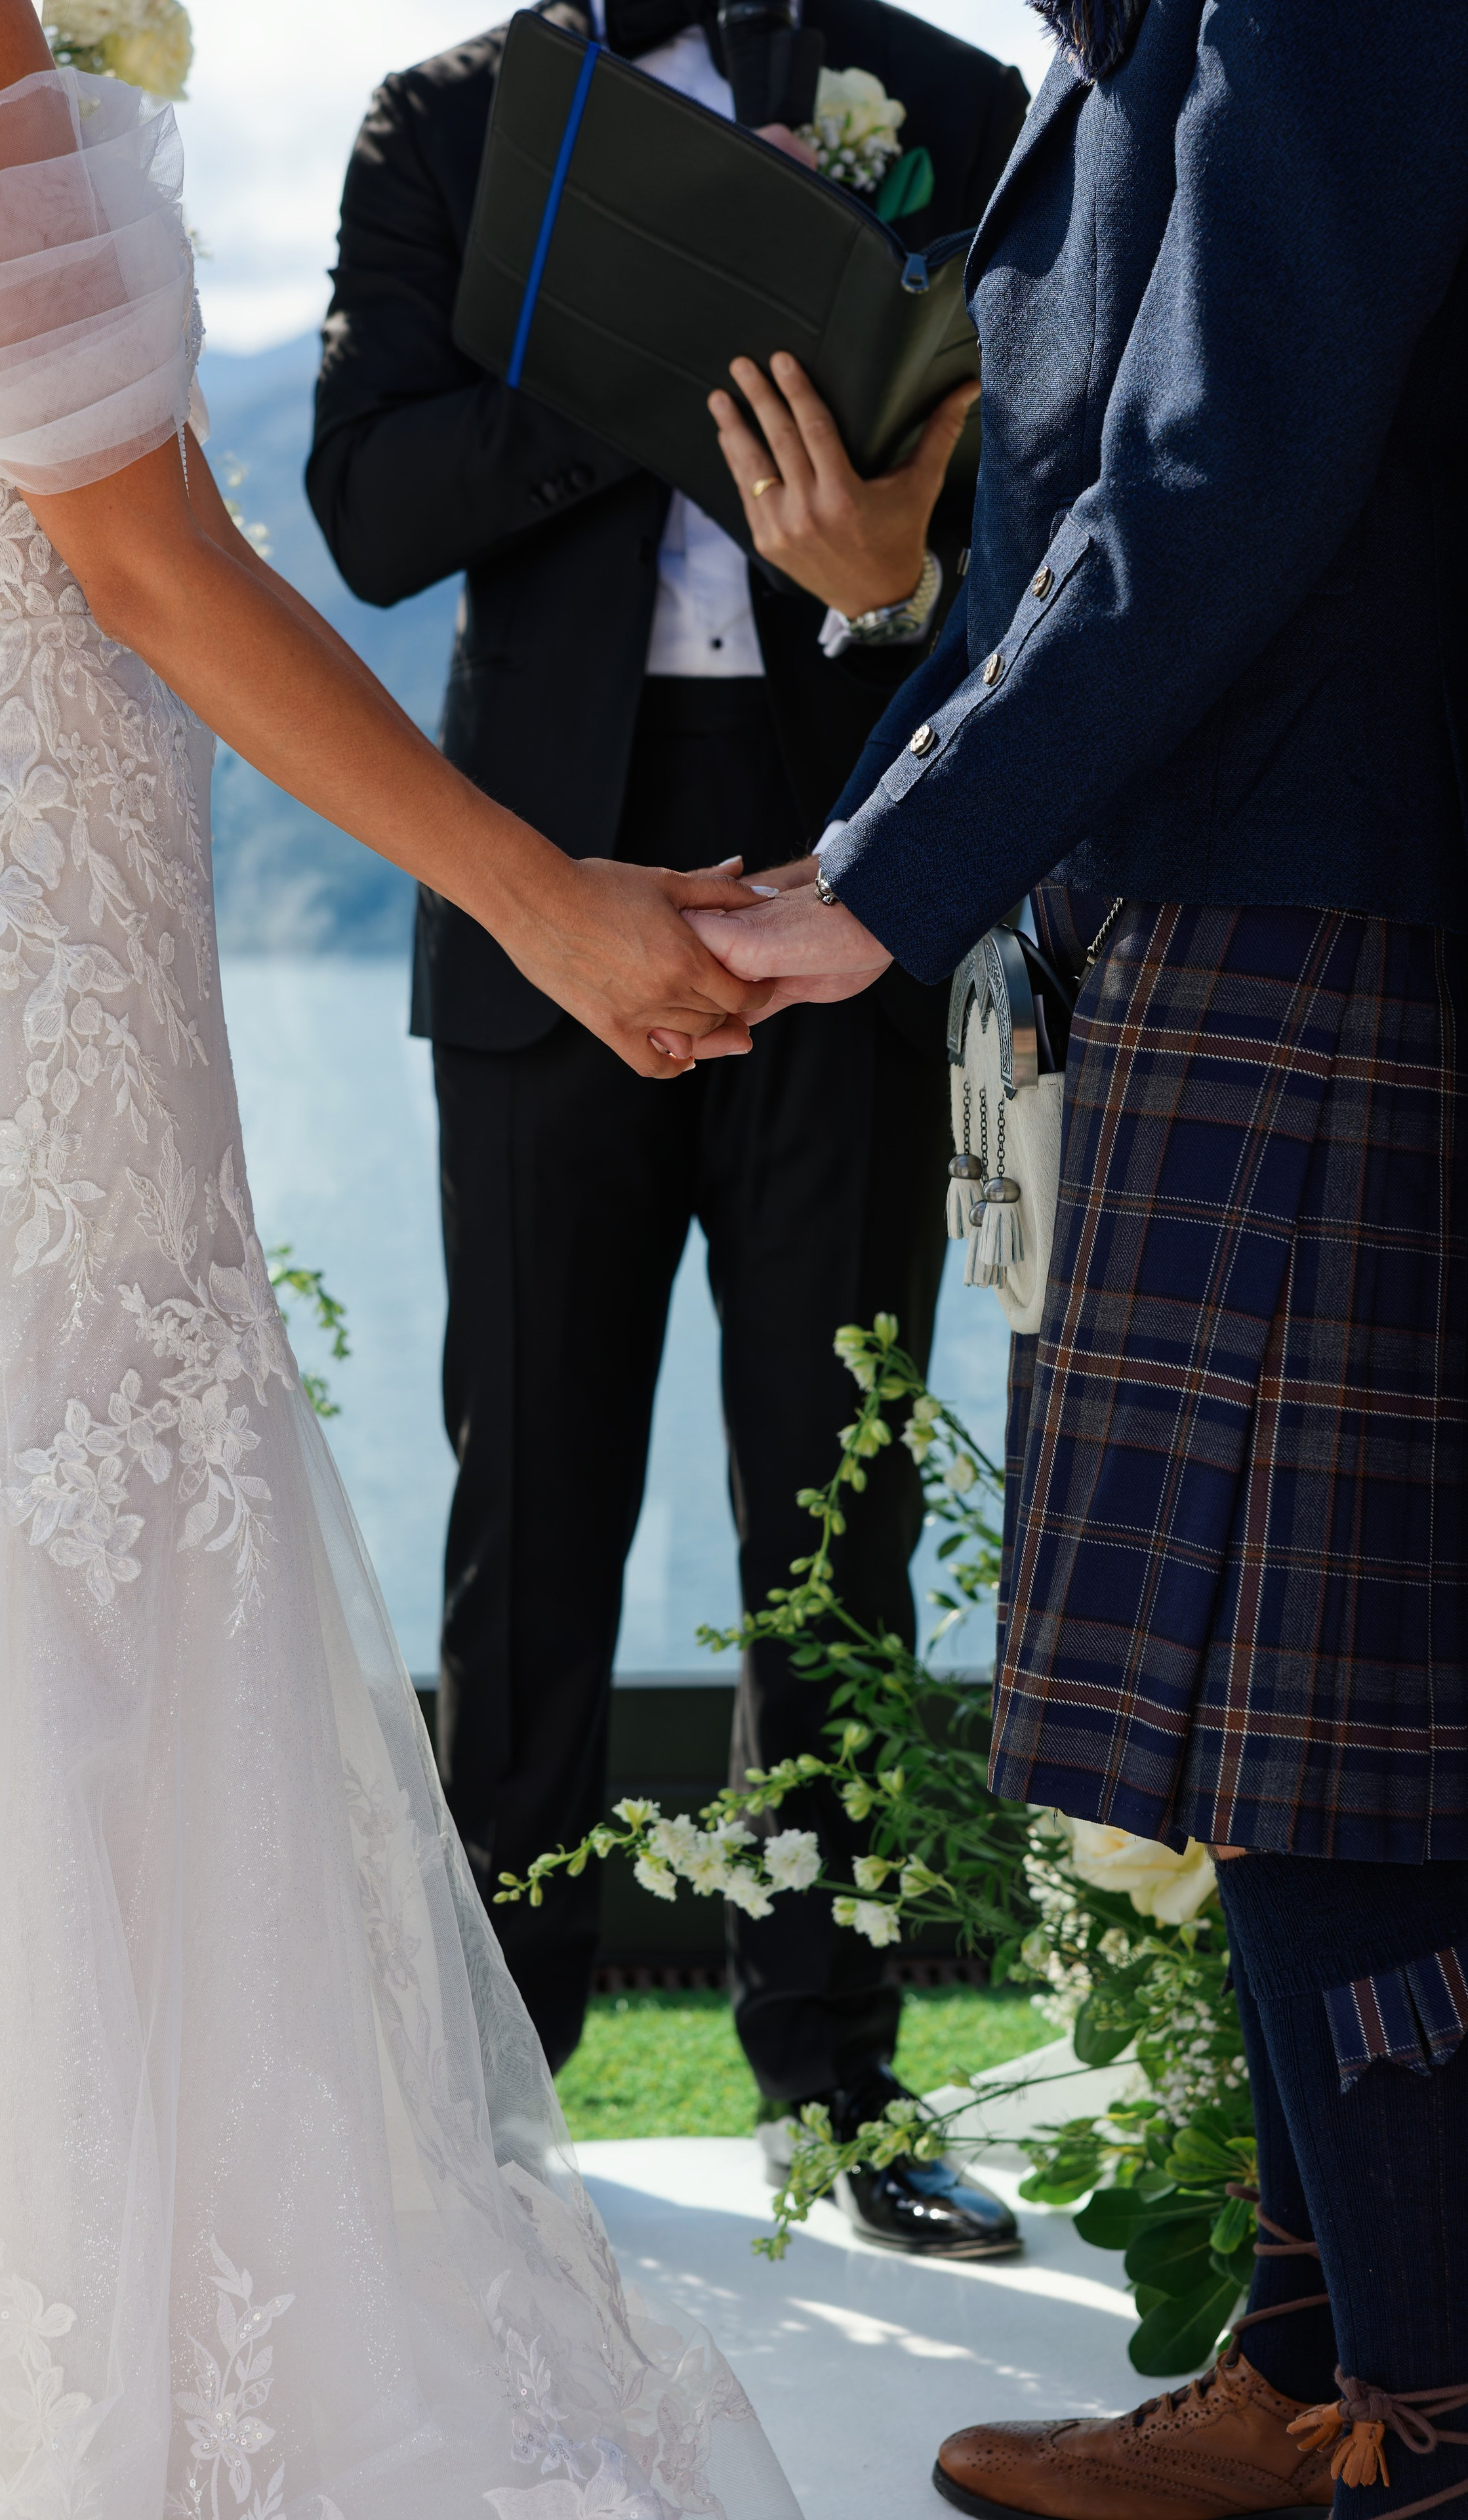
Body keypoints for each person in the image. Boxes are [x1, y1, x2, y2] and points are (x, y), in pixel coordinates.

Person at [0, 1, 811, 2512]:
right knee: (50, 1523)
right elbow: (151, 550)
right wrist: (537, 894)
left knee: (37, 1522)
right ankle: (42, 2313)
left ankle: (42, 2260)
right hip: (8, 897)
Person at [691, 0, 1468, 2511]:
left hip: (1325, 903)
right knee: (1263, 1726)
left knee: (1326, 1728)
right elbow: (1049, 539)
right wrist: (861, 858)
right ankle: (1310, 2364)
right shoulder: (1127, 44)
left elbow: (1226, 473)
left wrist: (880, 892)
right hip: (1197, 910)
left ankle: (1433, 2425)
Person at [306, 0, 1029, 2254]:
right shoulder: (446, 125)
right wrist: (673, 374)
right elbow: (370, 508)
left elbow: (1033, 536)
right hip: (544, 881)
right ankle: (494, 2109)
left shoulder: (962, 108)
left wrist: (882, 533)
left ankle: (835, 2084)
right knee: (530, 1509)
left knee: (842, 1499)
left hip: (854, 869)